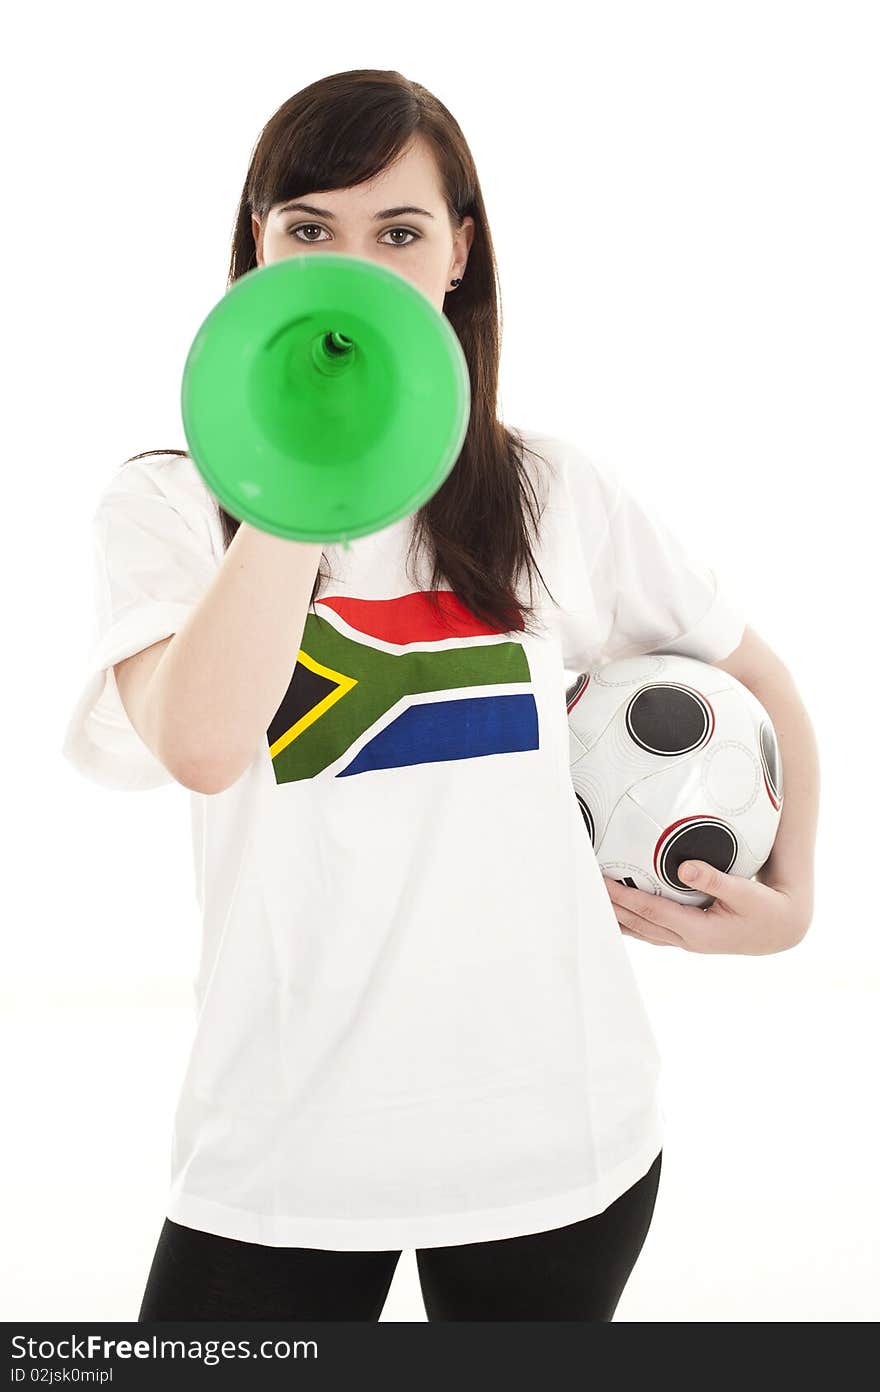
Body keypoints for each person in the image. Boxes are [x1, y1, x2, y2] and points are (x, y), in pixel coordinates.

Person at [62, 68, 752, 1321]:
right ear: (258, 251)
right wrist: (302, 468)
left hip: (559, 1140)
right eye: (310, 229)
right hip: (281, 1152)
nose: (354, 265)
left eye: (399, 232)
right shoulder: (167, 503)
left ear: (457, 259)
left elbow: (752, 674)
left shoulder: (548, 487)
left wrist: (791, 902)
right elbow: (207, 746)